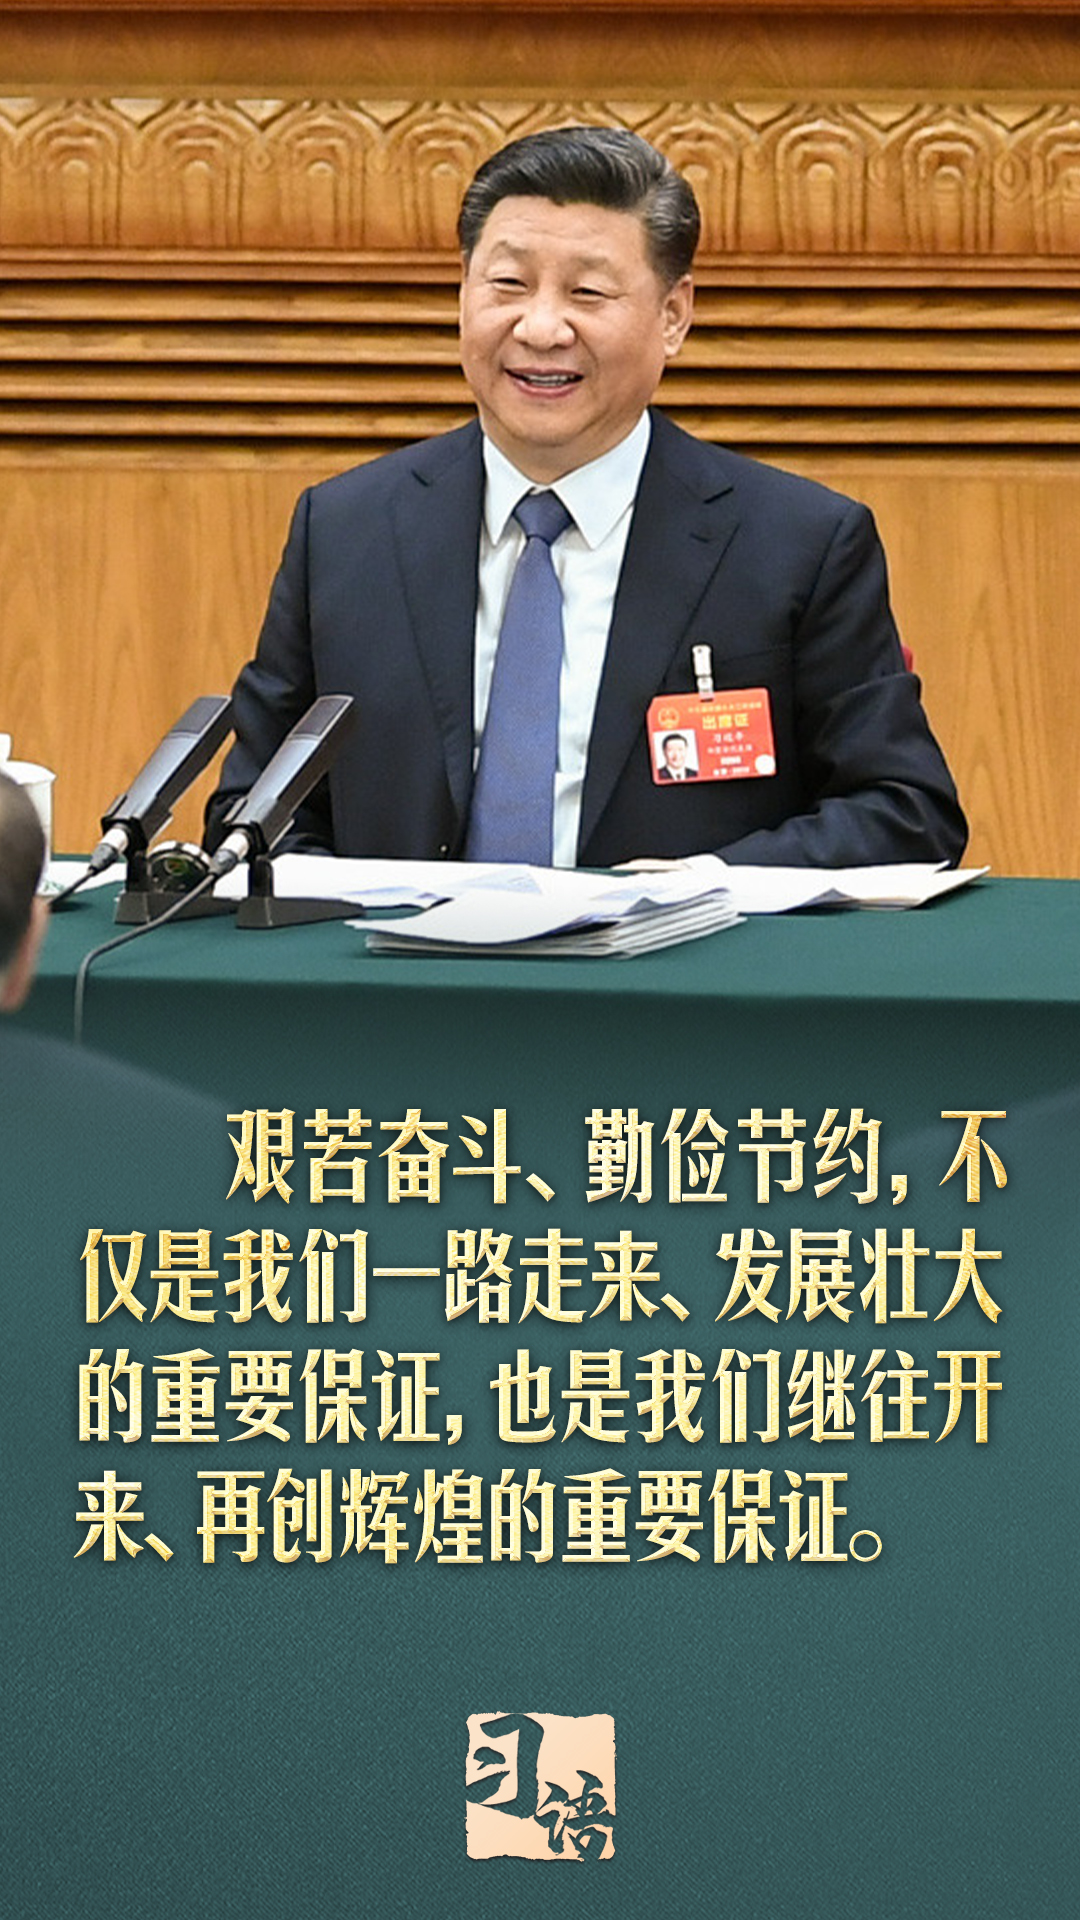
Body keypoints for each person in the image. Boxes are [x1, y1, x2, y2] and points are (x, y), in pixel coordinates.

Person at [204, 125, 966, 872]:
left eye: (587, 292)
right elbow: (252, 818)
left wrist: (708, 885)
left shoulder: (799, 543)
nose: (540, 328)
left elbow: (904, 812)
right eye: (508, 285)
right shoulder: (345, 531)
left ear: (673, 316)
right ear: (463, 292)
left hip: (680, 951)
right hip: (397, 954)